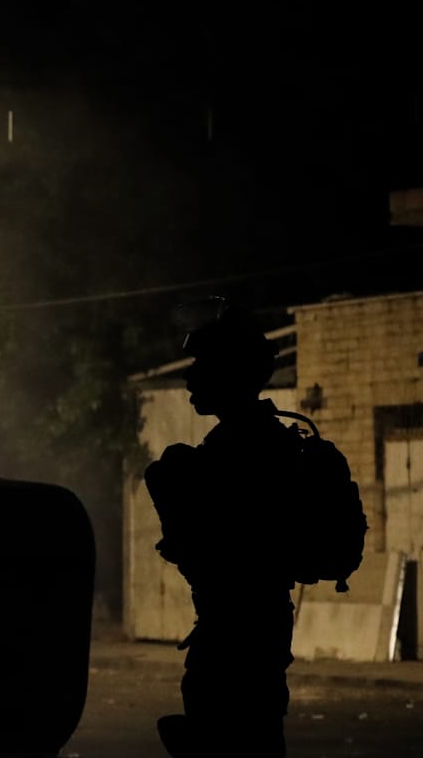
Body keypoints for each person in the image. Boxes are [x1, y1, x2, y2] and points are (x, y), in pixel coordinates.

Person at [144, 305, 303, 757]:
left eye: (202, 365)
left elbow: (214, 546)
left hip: (237, 631)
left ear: (229, 375)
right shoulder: (256, 442)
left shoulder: (242, 450)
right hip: (247, 624)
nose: (190, 377)